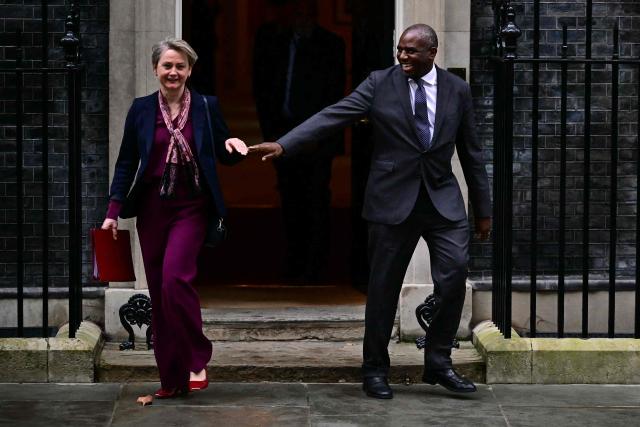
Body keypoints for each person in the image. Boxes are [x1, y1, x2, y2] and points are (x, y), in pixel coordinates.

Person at [250, 24, 491, 399]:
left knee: (454, 275)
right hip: (391, 201)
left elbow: (472, 151)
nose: (403, 57)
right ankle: (375, 369)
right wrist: (284, 145)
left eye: (412, 51)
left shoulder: (456, 90)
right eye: (400, 50)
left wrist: (483, 210)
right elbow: (334, 114)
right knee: (382, 289)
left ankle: (439, 362)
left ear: (432, 52)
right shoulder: (379, 83)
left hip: (442, 201)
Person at [102, 38, 248, 398]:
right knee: (158, 294)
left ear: (189, 71)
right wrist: (112, 213)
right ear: (156, 70)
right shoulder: (140, 110)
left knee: (174, 282)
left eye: (180, 66)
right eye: (167, 65)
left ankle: (197, 356)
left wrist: (235, 148)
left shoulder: (205, 107)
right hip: (152, 209)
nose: (173, 72)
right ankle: (172, 381)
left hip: (192, 207)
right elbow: (126, 163)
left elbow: (222, 149)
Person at [252, 0, 345, 283]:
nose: (301, 17)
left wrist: (321, 135)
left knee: (316, 200)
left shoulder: (331, 45)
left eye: (307, 12)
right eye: (297, 12)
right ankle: (293, 262)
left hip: (316, 139)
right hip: (280, 135)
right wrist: (269, 131)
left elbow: (334, 95)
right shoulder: (273, 42)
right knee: (289, 198)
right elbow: (263, 88)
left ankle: (316, 267)